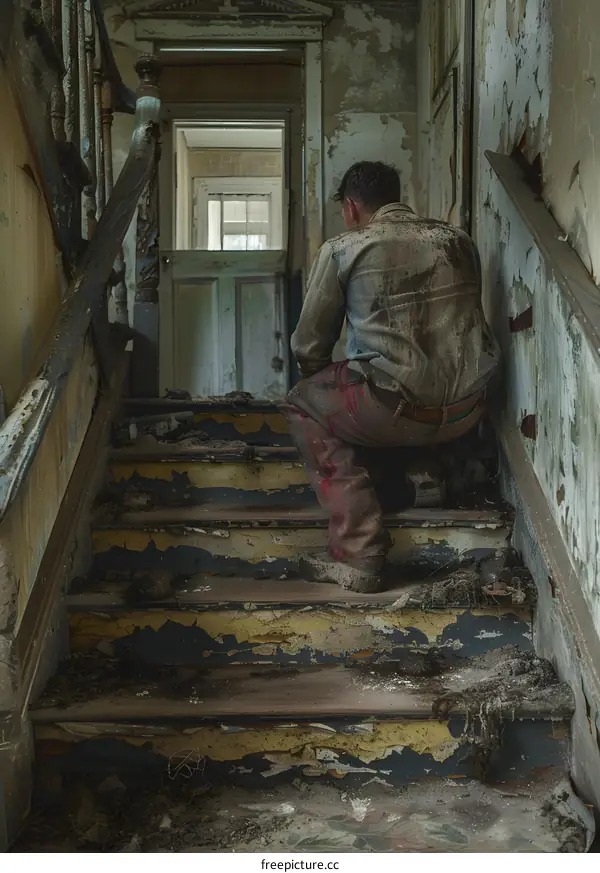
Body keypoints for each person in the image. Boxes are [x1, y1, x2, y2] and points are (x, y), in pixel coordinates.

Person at [280, 161, 500, 594]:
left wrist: (322, 382)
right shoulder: (456, 240)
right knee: (397, 388)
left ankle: (358, 548)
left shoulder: (345, 247)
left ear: (351, 206)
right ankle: (425, 467)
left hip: (392, 411)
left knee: (306, 400)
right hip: (468, 411)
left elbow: (308, 346)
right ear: (399, 197)